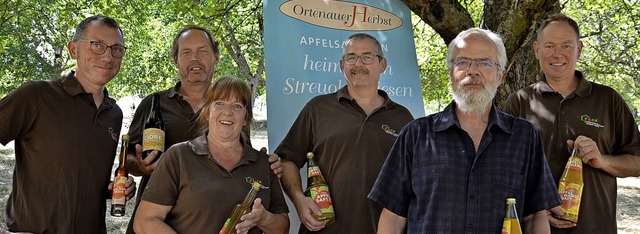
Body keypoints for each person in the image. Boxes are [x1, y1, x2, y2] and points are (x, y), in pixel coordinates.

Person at [368, 28, 561, 233]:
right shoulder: (415, 136)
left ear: (501, 75)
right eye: (462, 62)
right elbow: (394, 217)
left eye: (485, 63)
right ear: (451, 72)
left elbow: (535, 216)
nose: (473, 71)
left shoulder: (524, 137)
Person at [124, 25, 282, 234]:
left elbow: (243, 159)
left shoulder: (231, 110)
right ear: (176, 60)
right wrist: (142, 166)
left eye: (203, 51)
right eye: (186, 52)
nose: (195, 59)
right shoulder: (153, 104)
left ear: (216, 57)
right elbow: (126, 159)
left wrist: (266, 165)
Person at [502, 14, 640, 233]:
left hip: (597, 227)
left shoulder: (607, 99)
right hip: (538, 228)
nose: (558, 54)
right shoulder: (519, 102)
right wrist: (534, 210)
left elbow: (637, 162)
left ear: (579, 49)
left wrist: (602, 160)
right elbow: (503, 170)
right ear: (537, 50)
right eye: (549, 46)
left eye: (566, 45)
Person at [0, 15, 136, 233]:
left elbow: (83, 179)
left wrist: (115, 190)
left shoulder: (114, 115)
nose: (108, 57)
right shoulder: (37, 95)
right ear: (74, 50)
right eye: (97, 46)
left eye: (116, 49)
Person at [275, 33, 414, 233]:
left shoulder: (403, 118)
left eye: (367, 57)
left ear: (382, 64)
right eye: (351, 57)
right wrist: (298, 200)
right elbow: (287, 159)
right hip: (323, 228)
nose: (358, 64)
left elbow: (412, 181)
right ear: (342, 66)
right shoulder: (318, 108)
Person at [133, 75, 289, 233]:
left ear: (246, 118)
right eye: (219, 104)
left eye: (237, 106)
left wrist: (264, 219)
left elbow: (282, 228)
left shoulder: (264, 163)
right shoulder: (178, 156)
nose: (227, 112)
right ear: (207, 112)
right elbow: (144, 221)